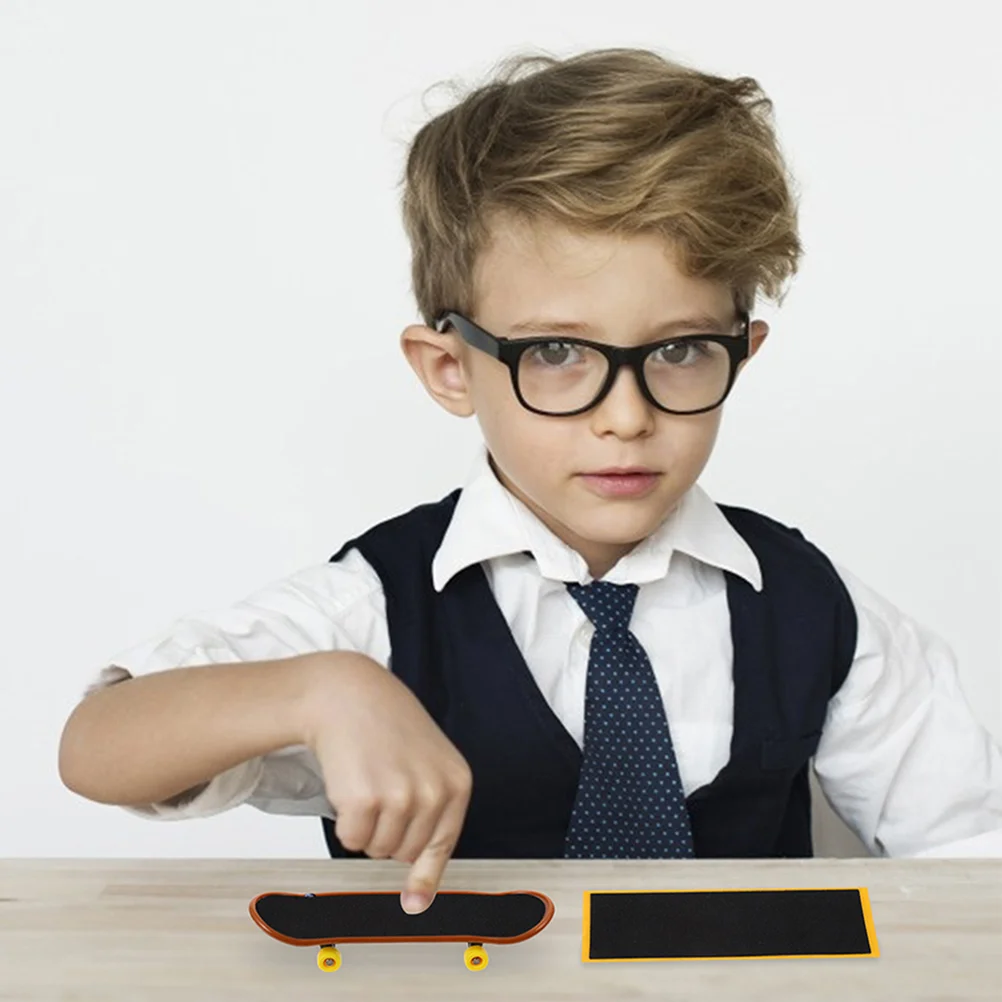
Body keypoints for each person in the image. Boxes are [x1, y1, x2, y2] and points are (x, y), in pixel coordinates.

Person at [59, 47, 1002, 915]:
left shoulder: (818, 612)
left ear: (742, 355)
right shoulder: (380, 611)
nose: (625, 415)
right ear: (449, 369)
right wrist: (320, 690)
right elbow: (100, 747)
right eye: (556, 352)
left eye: (677, 350)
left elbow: (969, 862)